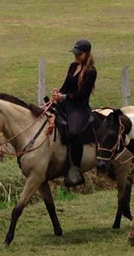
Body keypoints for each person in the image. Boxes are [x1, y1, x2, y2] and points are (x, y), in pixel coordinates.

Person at [51, 39, 98, 187]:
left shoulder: (91, 72)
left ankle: (75, 167)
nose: (76, 57)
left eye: (79, 54)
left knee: (74, 132)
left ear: (86, 54)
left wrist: (63, 97)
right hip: (65, 103)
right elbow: (66, 86)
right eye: (75, 54)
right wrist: (58, 94)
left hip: (79, 107)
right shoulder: (73, 66)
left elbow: (82, 95)